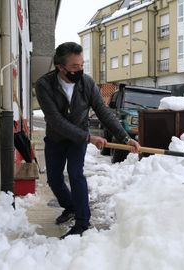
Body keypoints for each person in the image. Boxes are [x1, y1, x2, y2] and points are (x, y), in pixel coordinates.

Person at [35, 42, 140, 239]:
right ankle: (71, 207)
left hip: (78, 139)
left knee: (76, 175)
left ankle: (83, 222)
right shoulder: (44, 85)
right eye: (75, 66)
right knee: (54, 179)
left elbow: (103, 111)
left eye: (82, 65)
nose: (80, 70)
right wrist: (89, 137)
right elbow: (55, 120)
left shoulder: (87, 83)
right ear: (60, 67)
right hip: (56, 138)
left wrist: (125, 138)